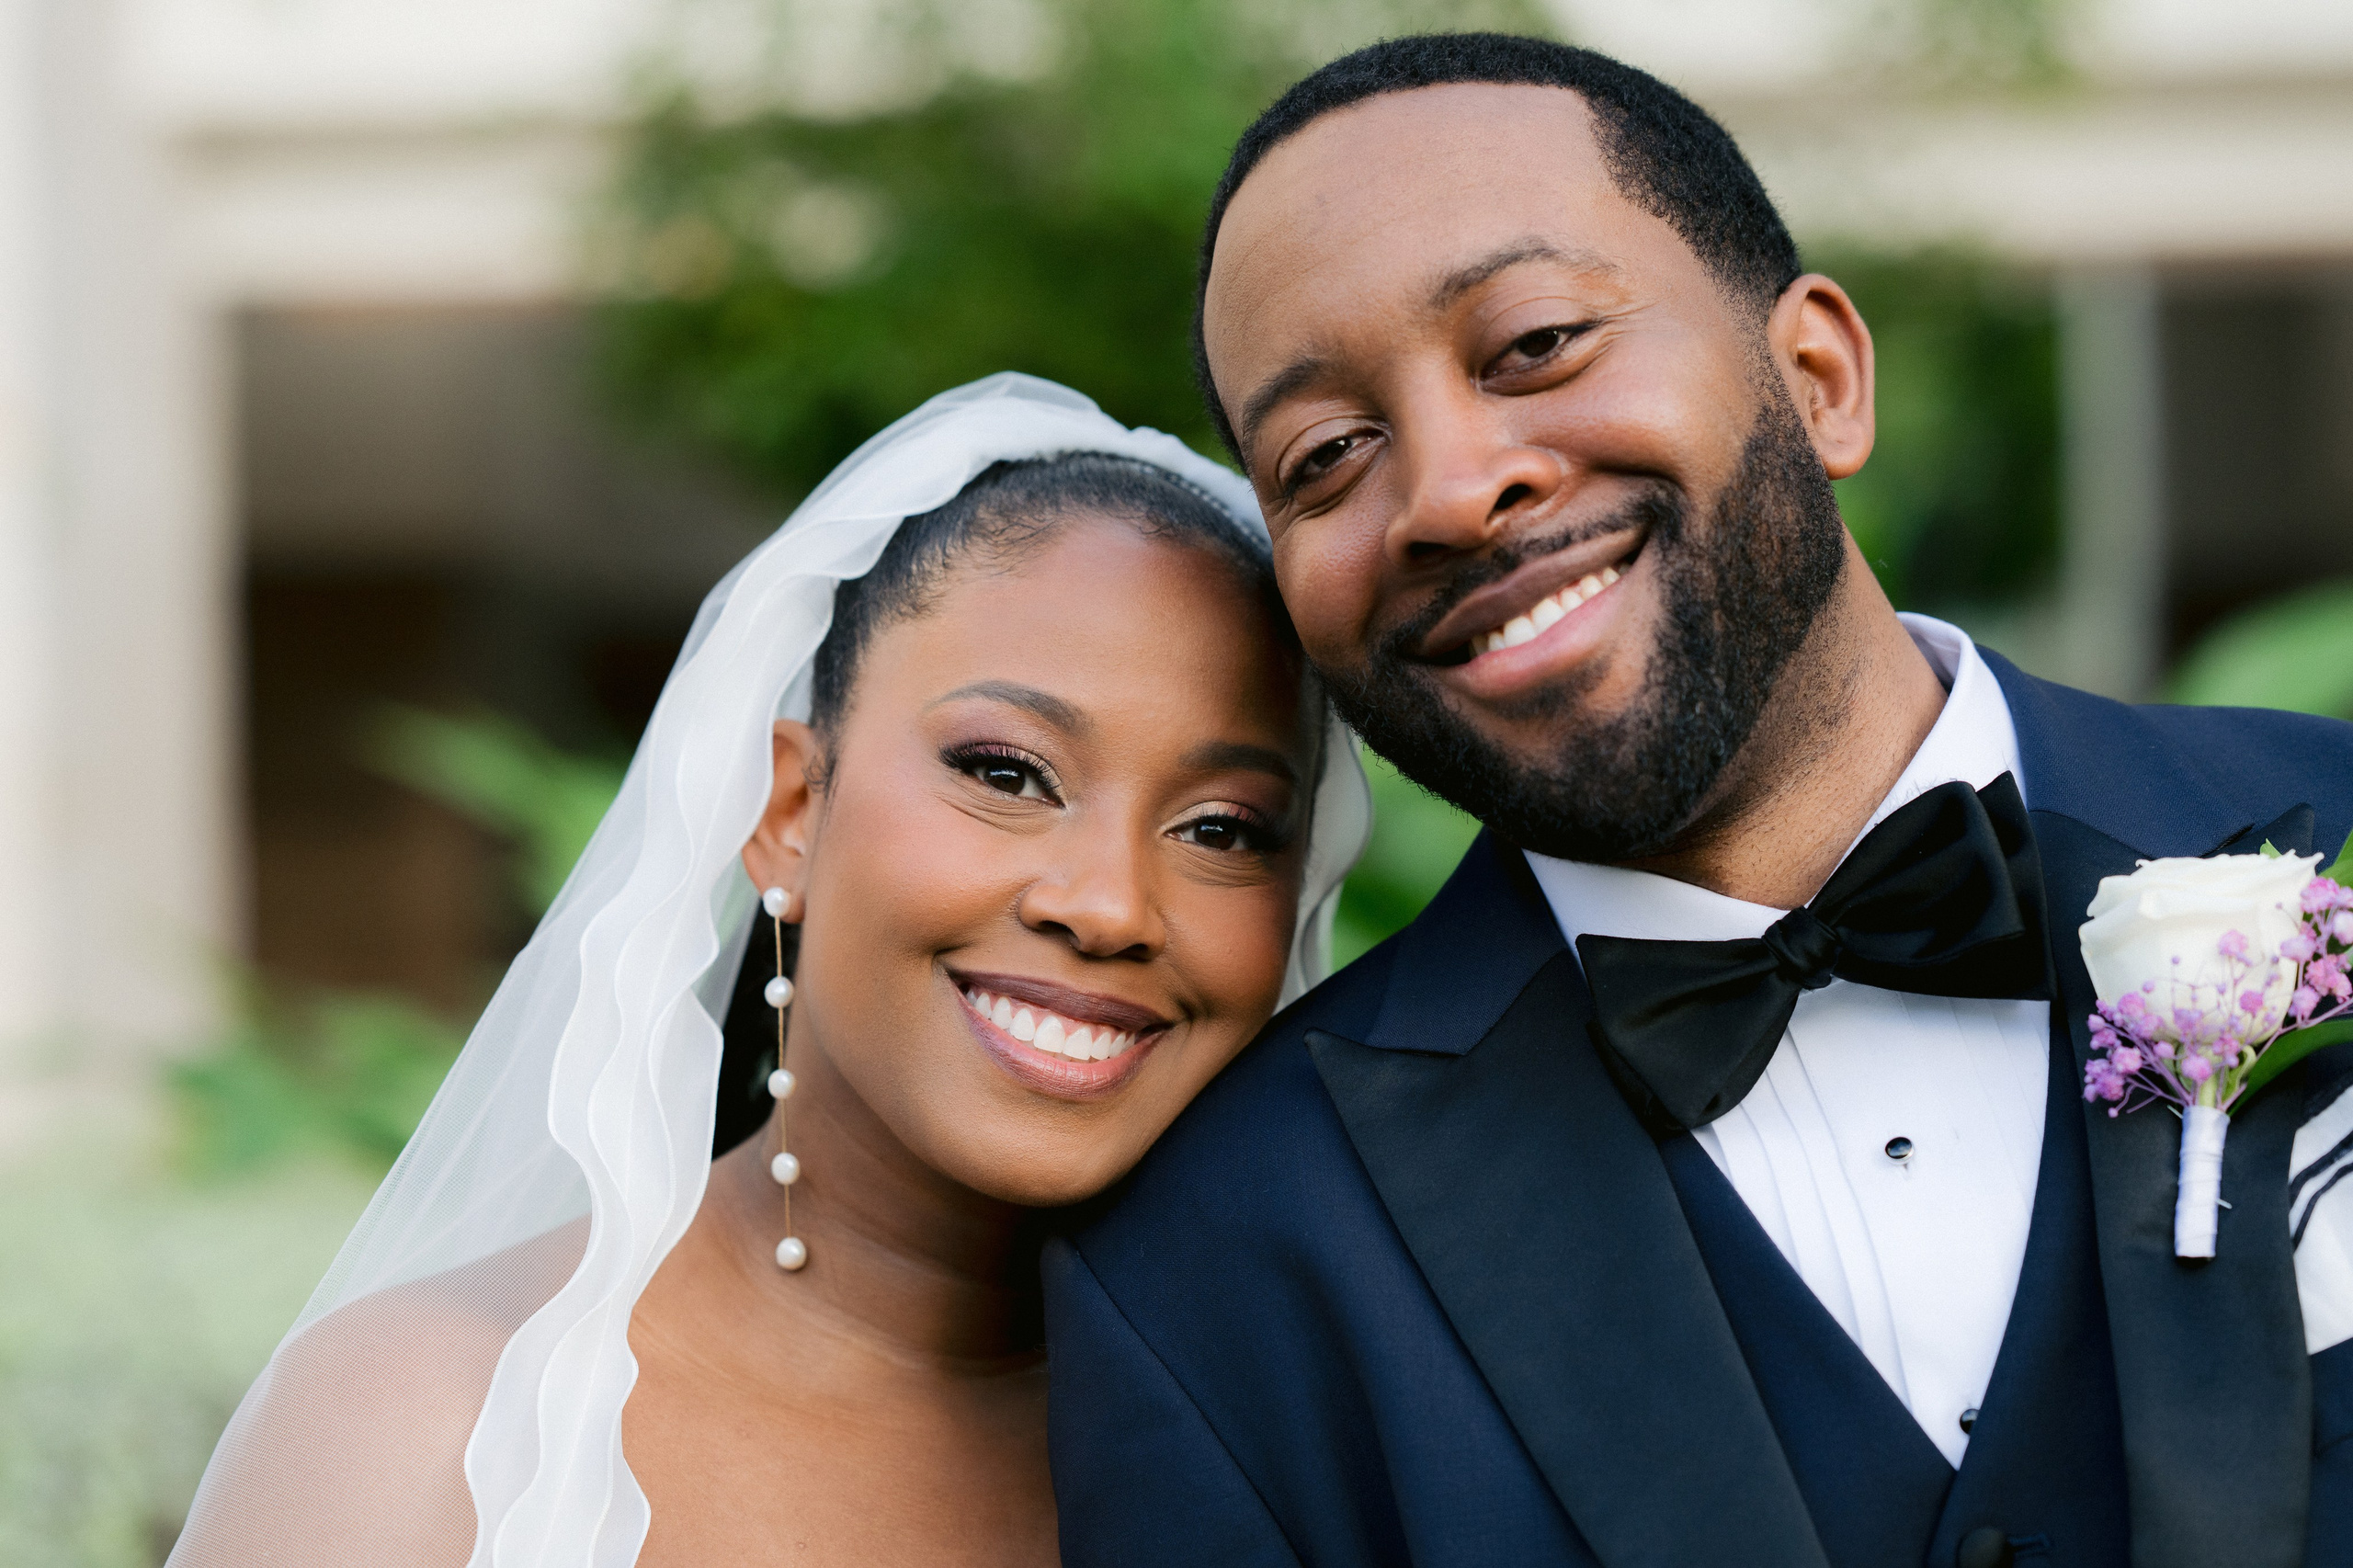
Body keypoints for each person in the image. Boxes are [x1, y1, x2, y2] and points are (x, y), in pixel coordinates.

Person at [1046, 34, 2353, 1568]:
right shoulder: (1214, 1266)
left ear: (1820, 380)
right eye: (1326, 454)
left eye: (1535, 342)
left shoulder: (2325, 830)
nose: (1452, 491)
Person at [163, 374, 1369, 1568]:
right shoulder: (434, 1429)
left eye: (1224, 828)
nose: (1108, 905)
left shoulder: (1330, 1456)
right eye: (1006, 773)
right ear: (789, 809)